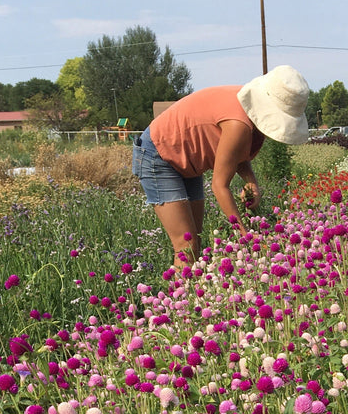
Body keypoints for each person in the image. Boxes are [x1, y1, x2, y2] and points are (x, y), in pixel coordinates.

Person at [131, 65, 309, 265]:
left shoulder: (246, 116)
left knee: (194, 241)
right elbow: (219, 184)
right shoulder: (238, 123)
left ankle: (188, 293)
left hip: (189, 161)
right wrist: (244, 236)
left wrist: (251, 181)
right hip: (158, 154)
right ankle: (178, 295)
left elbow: (236, 155)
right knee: (185, 245)